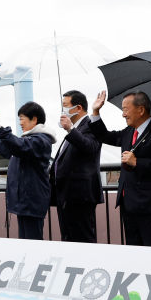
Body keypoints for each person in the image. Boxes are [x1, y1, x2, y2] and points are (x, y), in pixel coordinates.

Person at [86, 90, 151, 247]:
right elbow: (105, 136)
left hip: (150, 207)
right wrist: (95, 112)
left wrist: (137, 162)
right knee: (134, 253)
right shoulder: (129, 132)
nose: (123, 114)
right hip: (129, 205)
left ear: (140, 110)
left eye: (125, 109)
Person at [0, 102, 55, 241]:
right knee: (25, 242)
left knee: (33, 242)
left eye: (22, 118)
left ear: (34, 119)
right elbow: (4, 148)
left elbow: (18, 145)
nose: (20, 123)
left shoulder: (40, 141)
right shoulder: (28, 141)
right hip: (24, 201)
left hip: (31, 201)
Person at [50, 90, 103, 243]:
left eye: (66, 106)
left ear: (78, 108)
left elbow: (90, 147)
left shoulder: (91, 125)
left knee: (83, 239)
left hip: (80, 196)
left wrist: (70, 130)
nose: (63, 110)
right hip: (66, 196)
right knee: (68, 239)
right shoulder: (75, 128)